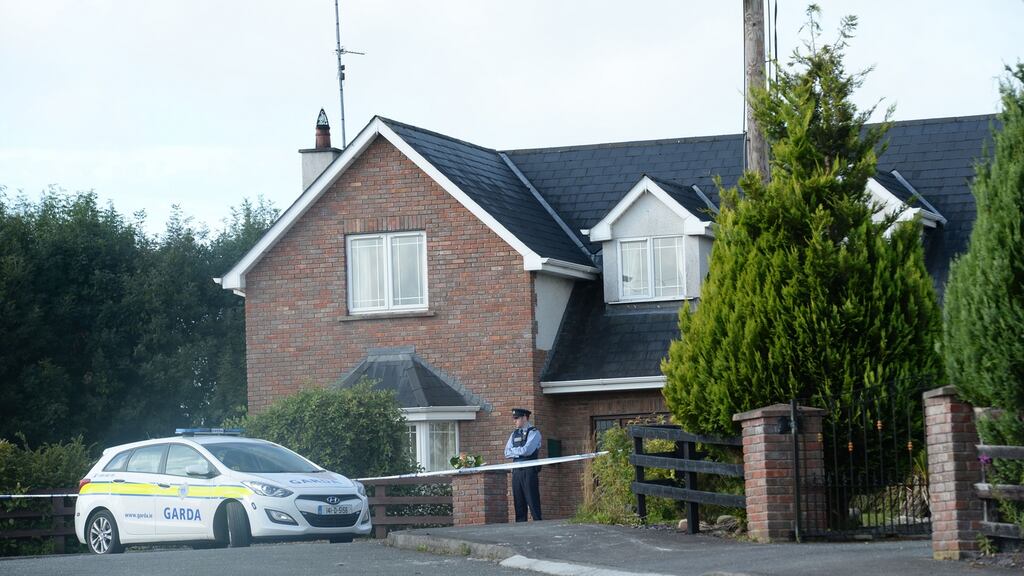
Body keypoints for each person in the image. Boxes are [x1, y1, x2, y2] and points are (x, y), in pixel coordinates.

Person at [504, 407, 542, 522]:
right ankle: (520, 528)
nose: (514, 421)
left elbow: (528, 451)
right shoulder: (514, 434)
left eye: (516, 418)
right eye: (513, 418)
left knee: (533, 502)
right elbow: (506, 453)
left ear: (524, 418)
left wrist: (515, 451)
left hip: (529, 471)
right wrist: (520, 451)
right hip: (516, 471)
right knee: (518, 502)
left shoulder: (534, 433)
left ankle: (539, 525)